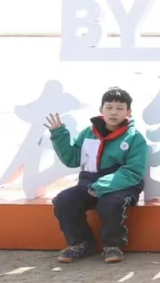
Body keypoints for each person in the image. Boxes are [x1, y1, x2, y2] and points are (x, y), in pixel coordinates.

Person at [48, 86, 148, 264]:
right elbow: (72, 159)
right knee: (64, 200)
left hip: (122, 185)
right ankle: (82, 243)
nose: (113, 112)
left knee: (110, 203)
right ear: (101, 109)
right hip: (89, 183)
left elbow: (133, 171)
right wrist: (59, 134)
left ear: (128, 112)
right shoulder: (88, 133)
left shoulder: (135, 138)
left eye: (120, 108)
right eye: (109, 107)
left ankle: (113, 245)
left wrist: (103, 185)